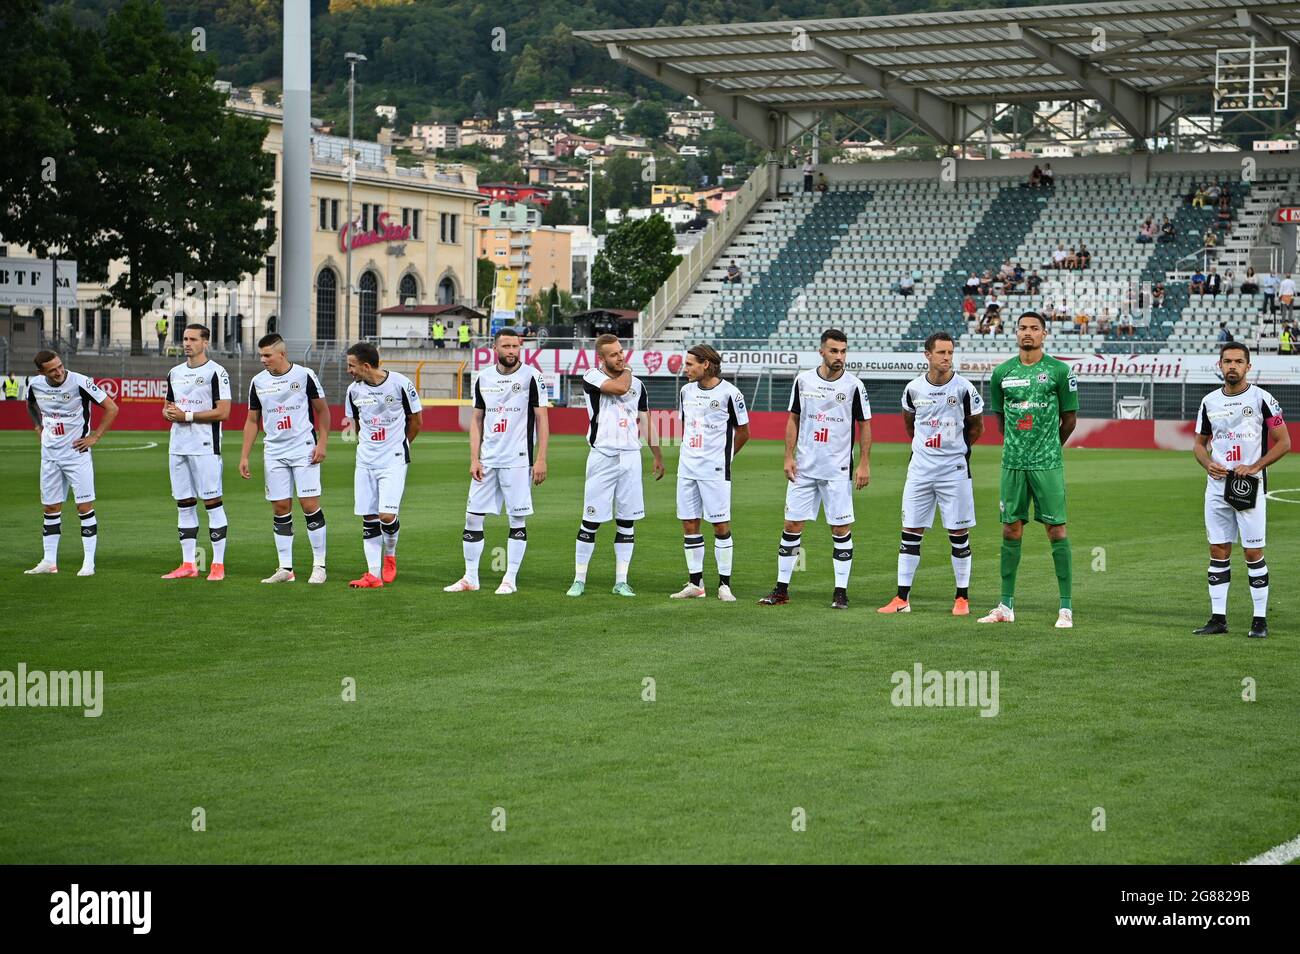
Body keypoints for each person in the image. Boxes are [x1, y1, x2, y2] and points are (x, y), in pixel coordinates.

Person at [758, 329, 871, 610]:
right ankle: (782, 589)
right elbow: (793, 419)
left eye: (843, 351)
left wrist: (865, 462)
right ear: (821, 351)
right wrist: (788, 456)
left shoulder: (854, 385)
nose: (839, 357)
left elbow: (865, 424)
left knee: (840, 529)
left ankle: (841, 592)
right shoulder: (803, 380)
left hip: (837, 469)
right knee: (792, 526)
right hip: (805, 468)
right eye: (834, 351)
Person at [979, 312, 1078, 629]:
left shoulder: (1060, 372)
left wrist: (1049, 447)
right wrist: (1019, 448)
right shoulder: (1002, 373)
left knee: (1056, 531)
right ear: (1015, 332)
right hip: (1013, 465)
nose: (1028, 333)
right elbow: (1000, 422)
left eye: (1034, 328)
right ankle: (1005, 605)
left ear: (1044, 334)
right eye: (1023, 328)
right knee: (1010, 529)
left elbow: (1070, 420)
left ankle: (1065, 608)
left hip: (1047, 464)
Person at [878, 332, 983, 616]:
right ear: (928, 355)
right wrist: (928, 449)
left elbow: (976, 427)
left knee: (958, 531)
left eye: (950, 353)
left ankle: (962, 598)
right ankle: (902, 600)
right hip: (920, 471)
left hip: (954, 471)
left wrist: (954, 450)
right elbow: (910, 424)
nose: (947, 358)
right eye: (941, 353)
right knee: (910, 530)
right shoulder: (913, 389)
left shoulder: (964, 389)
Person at [1192, 343, 1290, 638]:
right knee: (1218, 549)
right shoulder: (1209, 401)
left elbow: (1284, 442)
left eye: (1238, 361)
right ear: (1219, 365)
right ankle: (1218, 619)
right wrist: (1208, 463)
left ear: (1248, 366)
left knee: (1252, 551)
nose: (1232, 366)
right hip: (1217, 487)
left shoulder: (1263, 399)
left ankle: (1259, 621)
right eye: (1227, 361)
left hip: (1249, 486)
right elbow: (1199, 444)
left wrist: (1256, 465)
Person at [444, 327, 549, 595]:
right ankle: (470, 578)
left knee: (517, 520)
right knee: (472, 517)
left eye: (515, 347)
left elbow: (542, 420)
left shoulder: (532, 377)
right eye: (506, 346)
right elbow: (476, 420)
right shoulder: (483, 378)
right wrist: (474, 459)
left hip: (518, 460)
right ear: (495, 348)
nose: (512, 351)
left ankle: (509, 578)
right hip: (488, 461)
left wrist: (541, 459)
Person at [566, 334, 664, 597]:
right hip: (603, 456)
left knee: (627, 521)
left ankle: (621, 581)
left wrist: (657, 455)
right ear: (602, 358)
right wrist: (628, 370)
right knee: (591, 520)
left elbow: (645, 421)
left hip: (631, 457)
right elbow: (619, 388)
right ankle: (579, 579)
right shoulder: (592, 377)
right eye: (613, 354)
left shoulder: (639, 385)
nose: (620, 357)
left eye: (621, 352)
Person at [238, 333, 331, 585]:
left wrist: (322, 443)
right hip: (274, 451)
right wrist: (245, 455)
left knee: (309, 505)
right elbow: (252, 420)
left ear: (282, 354)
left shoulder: (304, 375)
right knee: (280, 508)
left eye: (267, 355)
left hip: (303, 448)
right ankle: (285, 569)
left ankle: (319, 566)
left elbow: (322, 411)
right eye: (261, 355)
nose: (263, 360)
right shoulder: (257, 382)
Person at [23, 350, 119, 576]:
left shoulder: (81, 382)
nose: (59, 372)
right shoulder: (35, 384)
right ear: (41, 372)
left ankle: (88, 563)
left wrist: (95, 437)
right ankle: (49, 561)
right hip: (50, 455)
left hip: (77, 454)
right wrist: (38, 427)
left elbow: (112, 407)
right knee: (50, 508)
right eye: (52, 370)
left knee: (84, 507)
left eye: (60, 366)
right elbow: (30, 405)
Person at [670, 344, 750, 602]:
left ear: (706, 364)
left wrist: (724, 459)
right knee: (689, 523)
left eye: (690, 364)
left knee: (720, 524)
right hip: (687, 468)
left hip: (714, 470)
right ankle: (696, 584)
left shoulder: (730, 393)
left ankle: (724, 585)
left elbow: (744, 432)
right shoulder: (685, 391)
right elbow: (686, 428)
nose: (686, 369)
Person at [344, 342, 423, 589]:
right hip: (365, 460)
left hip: (393, 460)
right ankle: (373, 575)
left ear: (366, 366)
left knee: (387, 516)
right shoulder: (353, 391)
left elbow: (416, 421)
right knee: (369, 517)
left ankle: (390, 554)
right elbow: (354, 424)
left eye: (351, 366)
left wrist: (400, 446)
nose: (349, 371)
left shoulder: (400, 384)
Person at [159, 325, 232, 580]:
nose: (187, 343)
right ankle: (189, 564)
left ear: (205, 343)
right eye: (185, 339)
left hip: (205, 448)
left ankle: (217, 565)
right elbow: (168, 406)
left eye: (193, 339)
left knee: (212, 503)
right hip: (178, 447)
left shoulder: (216, 372)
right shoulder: (174, 372)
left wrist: (186, 415)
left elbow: (223, 412)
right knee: (184, 504)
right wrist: (168, 413)